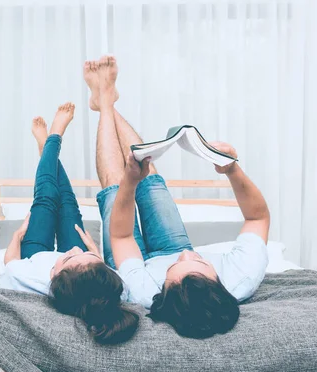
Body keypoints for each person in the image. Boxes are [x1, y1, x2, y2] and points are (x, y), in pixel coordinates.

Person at [84, 55, 270, 339]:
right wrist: (232, 169)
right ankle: (106, 101)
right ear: (219, 282)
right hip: (171, 249)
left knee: (114, 187)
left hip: (136, 261)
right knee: (151, 181)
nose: (185, 253)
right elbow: (258, 217)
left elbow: (121, 238)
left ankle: (105, 103)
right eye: (197, 260)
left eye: (175, 265)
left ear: (163, 291)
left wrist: (128, 183)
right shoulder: (242, 277)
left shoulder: (144, 292)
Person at [0, 103, 139, 344]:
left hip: (34, 256)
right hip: (81, 272)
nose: (72, 250)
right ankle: (47, 150)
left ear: (53, 275)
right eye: (83, 256)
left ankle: (53, 140)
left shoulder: (28, 280)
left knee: (47, 197)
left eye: (69, 257)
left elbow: (10, 263)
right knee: (68, 204)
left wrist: (16, 237)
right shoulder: (115, 290)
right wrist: (95, 256)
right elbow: (100, 271)